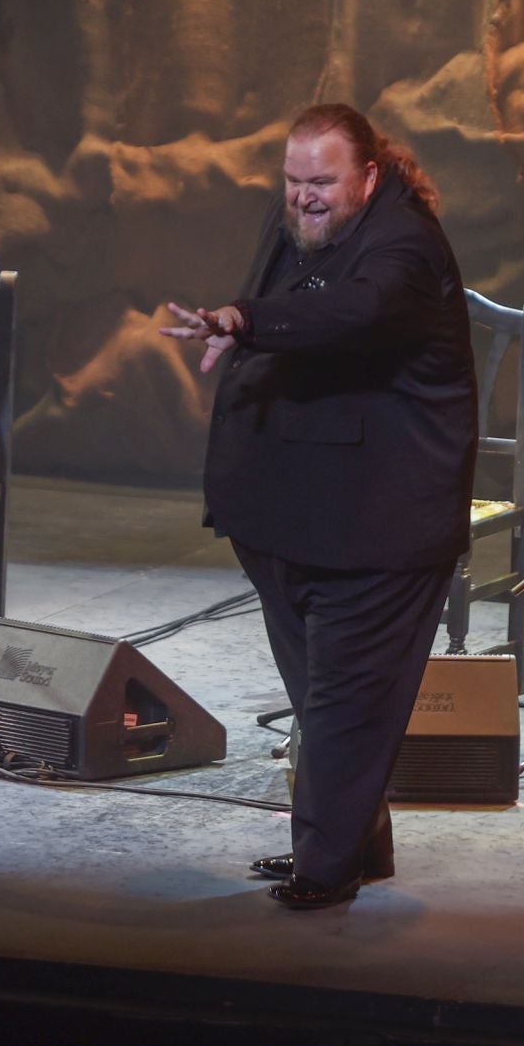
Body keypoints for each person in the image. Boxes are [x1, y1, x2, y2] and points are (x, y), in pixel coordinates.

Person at [161, 103, 477, 909]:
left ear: (369, 176)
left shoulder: (405, 247)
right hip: (294, 515)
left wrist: (246, 319)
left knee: (342, 700)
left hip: (377, 523)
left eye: (323, 182)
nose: (303, 198)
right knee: (323, 695)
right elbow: (287, 301)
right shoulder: (299, 217)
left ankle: (327, 870)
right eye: (293, 180)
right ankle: (353, 843)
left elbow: (351, 312)